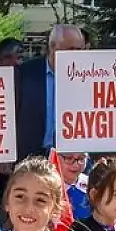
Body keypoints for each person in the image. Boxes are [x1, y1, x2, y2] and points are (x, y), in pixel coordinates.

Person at [14, 24, 88, 159]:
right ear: (53, 47)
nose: (76, 54)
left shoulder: (88, 75)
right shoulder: (24, 74)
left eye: (80, 49)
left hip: (70, 157)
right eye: (71, 49)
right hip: (29, 156)